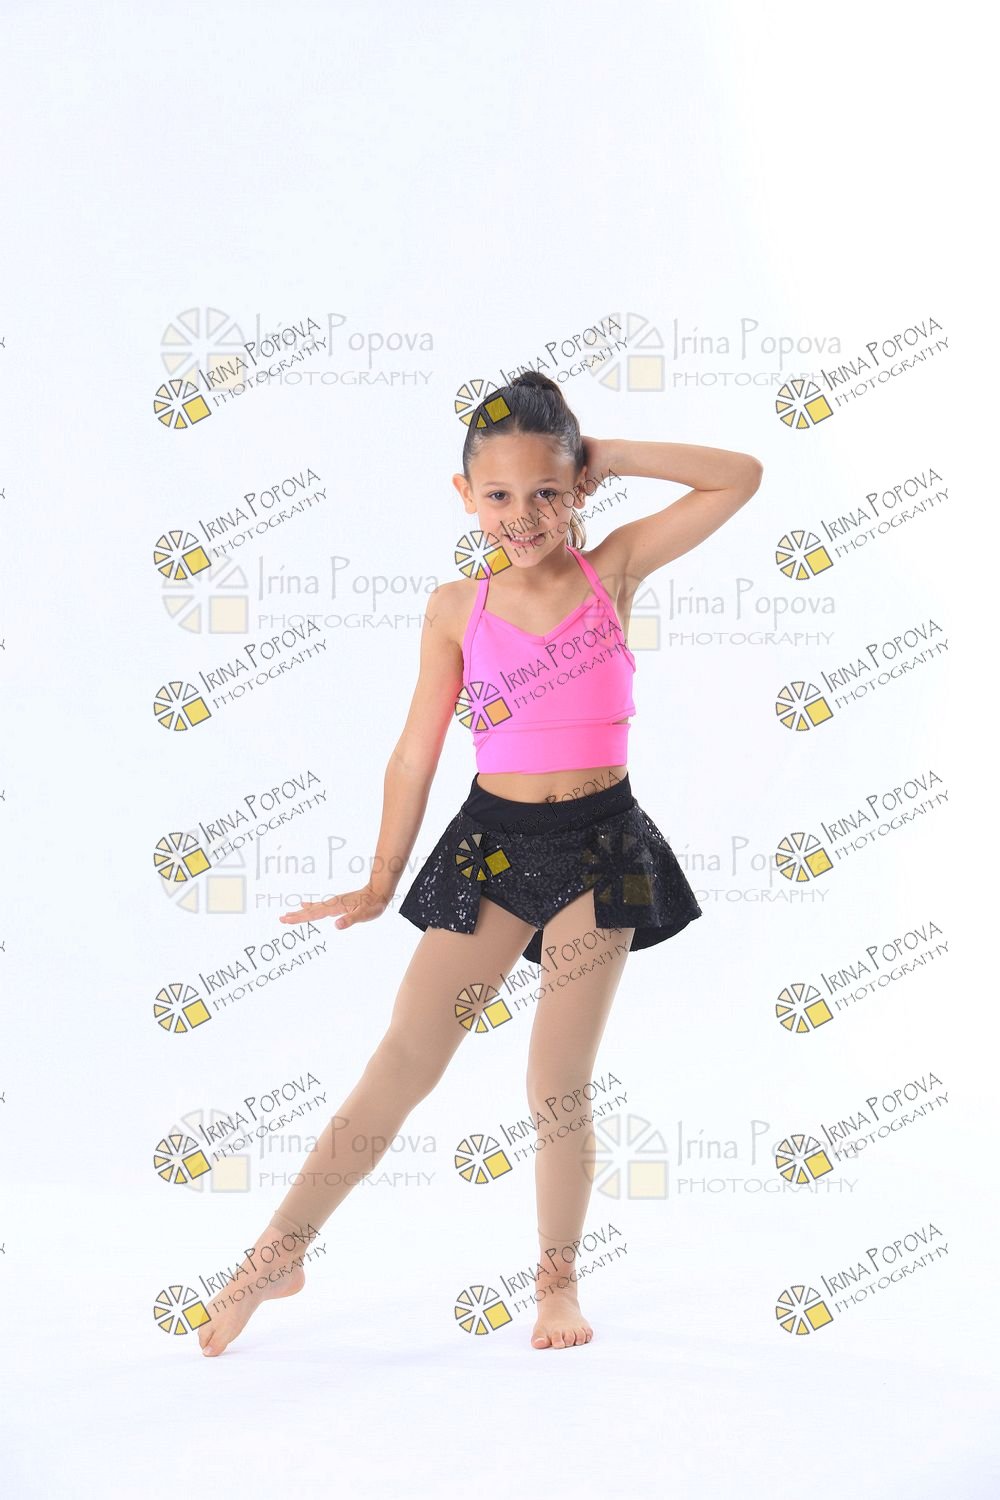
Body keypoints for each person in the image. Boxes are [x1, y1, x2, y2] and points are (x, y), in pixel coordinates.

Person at [197, 371, 763, 1356]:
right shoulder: (457, 607)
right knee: (404, 1058)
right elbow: (414, 753)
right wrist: (382, 878)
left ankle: (556, 1282)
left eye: (547, 492)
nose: (524, 515)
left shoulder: (614, 570)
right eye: (499, 495)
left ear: (578, 490)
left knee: (556, 1083)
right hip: (492, 844)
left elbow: (739, 476)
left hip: (603, 846)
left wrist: (608, 454)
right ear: (464, 496)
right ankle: (276, 1254)